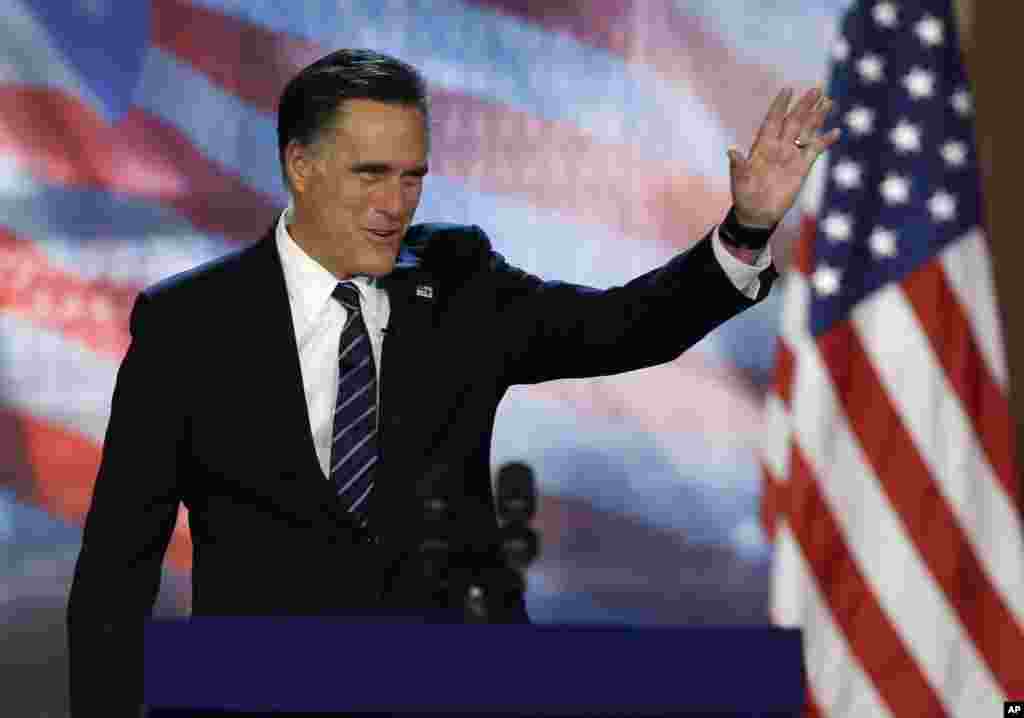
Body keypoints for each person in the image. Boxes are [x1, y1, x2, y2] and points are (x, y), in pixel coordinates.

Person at [66, 49, 837, 715]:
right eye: (371, 174)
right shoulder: (188, 326)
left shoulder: (460, 283)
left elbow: (622, 326)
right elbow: (114, 570)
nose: (395, 205)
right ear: (299, 164)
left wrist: (745, 230)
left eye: (412, 177)